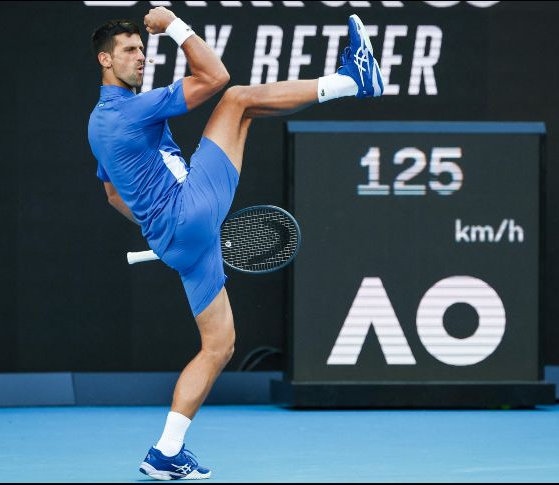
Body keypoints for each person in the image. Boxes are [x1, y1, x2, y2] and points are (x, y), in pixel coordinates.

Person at [88, 6, 383, 480]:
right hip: (189, 214)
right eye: (129, 50)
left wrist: (163, 234)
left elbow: (112, 195)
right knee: (236, 100)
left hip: (176, 239)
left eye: (143, 48)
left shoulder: (96, 125)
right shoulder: (131, 108)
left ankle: (166, 451)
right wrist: (174, 27)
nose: (141, 57)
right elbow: (216, 76)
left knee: (218, 346)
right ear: (105, 60)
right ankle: (353, 80)